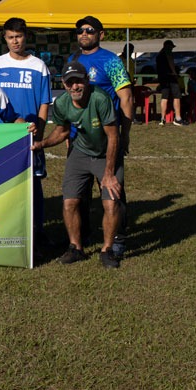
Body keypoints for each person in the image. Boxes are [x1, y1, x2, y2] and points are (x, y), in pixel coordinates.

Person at [32, 61, 123, 269]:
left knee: (111, 201)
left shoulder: (100, 98)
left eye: (78, 82)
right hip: (79, 152)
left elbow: (113, 137)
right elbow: (62, 131)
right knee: (69, 202)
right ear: (63, 84)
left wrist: (109, 173)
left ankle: (107, 250)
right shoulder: (62, 103)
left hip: (105, 154)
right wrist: (42, 144)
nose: (74, 87)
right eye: (69, 83)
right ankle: (76, 247)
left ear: (87, 81)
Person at [68, 16, 133, 255]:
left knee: (113, 191)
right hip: (78, 138)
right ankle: (81, 237)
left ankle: (118, 239)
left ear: (101, 34)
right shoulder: (72, 59)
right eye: (80, 31)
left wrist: (125, 133)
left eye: (89, 30)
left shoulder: (111, 61)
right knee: (79, 193)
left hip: (107, 138)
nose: (84, 34)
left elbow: (126, 97)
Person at [0, 17, 51, 171]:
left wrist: (39, 134)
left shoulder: (39, 66)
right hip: (1, 133)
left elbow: (44, 103)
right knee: (1, 176)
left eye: (18, 36)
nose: (15, 41)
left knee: (31, 182)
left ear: (26, 36)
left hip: (28, 131)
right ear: (5, 38)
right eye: (10, 37)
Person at [155, 40, 187, 126]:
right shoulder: (167, 53)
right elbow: (171, 63)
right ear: (168, 46)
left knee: (164, 97)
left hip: (162, 78)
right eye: (171, 47)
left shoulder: (159, 55)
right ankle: (178, 118)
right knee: (177, 96)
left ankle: (162, 118)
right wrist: (175, 74)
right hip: (170, 77)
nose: (172, 49)